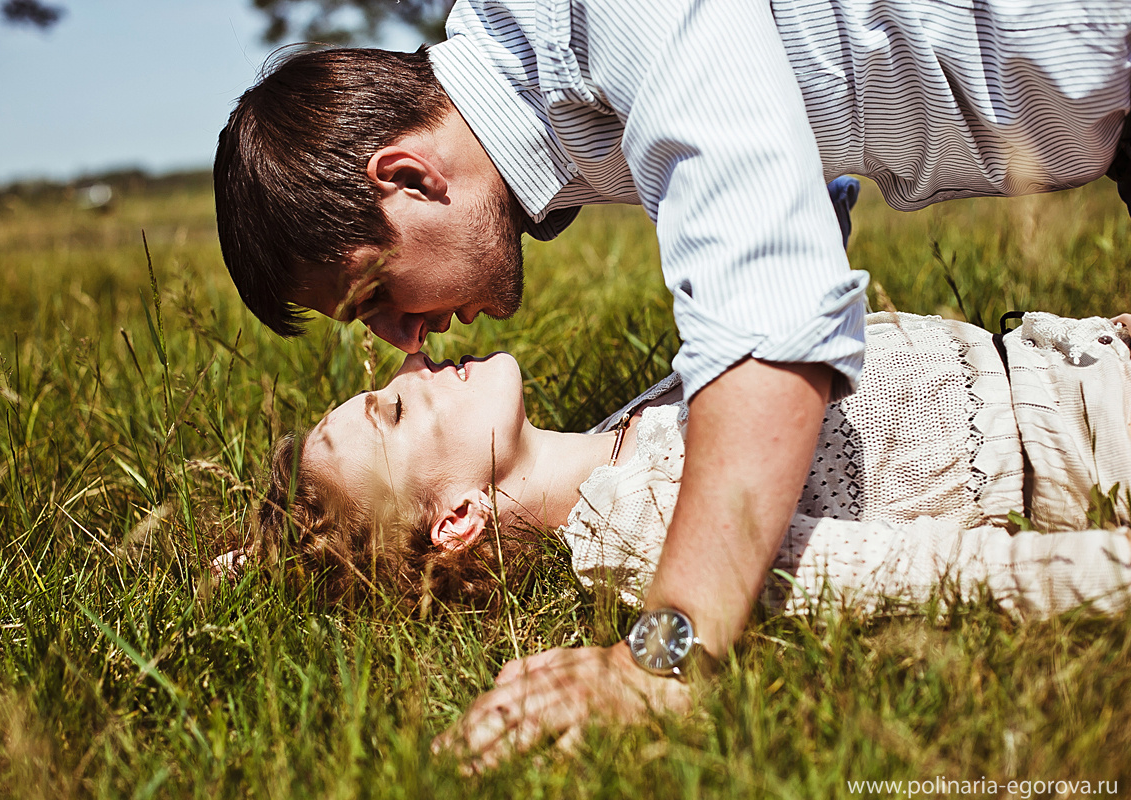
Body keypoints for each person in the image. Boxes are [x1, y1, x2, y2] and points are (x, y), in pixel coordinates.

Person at [213, 0, 1131, 759]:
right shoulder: (563, 90)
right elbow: (780, 166)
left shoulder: (603, 17)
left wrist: (658, 659)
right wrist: (294, 546)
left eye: (374, 296)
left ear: (407, 177)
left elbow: (773, 318)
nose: (403, 341)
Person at [235, 310, 1131, 758]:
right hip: (1093, 438)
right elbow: (921, 574)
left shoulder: (613, 438)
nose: (414, 362)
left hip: (1088, 351)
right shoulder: (649, 533)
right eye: (392, 411)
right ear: (458, 519)